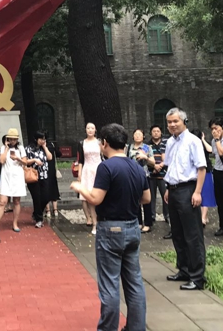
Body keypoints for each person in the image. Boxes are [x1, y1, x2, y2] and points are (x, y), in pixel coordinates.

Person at [70, 123, 150, 331]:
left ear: (104, 143)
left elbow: (96, 198)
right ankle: (136, 327)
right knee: (134, 282)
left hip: (110, 230)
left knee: (109, 284)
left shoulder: (106, 167)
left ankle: (108, 328)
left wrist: (80, 188)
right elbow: (147, 198)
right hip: (133, 227)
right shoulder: (136, 166)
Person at [163, 108, 207, 291]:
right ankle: (184, 269)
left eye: (176, 121)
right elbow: (170, 166)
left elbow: (201, 168)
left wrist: (197, 192)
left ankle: (197, 277)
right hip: (173, 190)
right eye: (169, 122)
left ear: (184, 121)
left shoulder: (193, 141)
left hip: (188, 189)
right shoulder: (170, 142)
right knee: (178, 233)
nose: (172, 125)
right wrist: (168, 188)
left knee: (192, 234)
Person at [0, 128, 28, 237]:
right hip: (6, 177)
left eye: (14, 139)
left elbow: (25, 162)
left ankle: (15, 223)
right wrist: (6, 148)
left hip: (17, 177)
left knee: (16, 201)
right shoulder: (3, 148)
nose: (12, 141)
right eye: (11, 139)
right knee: (2, 202)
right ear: (7, 139)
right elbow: (1, 161)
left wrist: (17, 158)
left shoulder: (21, 148)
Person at [127, 129, 155, 233]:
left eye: (140, 134)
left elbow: (153, 163)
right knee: (135, 200)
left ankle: (148, 223)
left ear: (143, 136)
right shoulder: (128, 147)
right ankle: (138, 222)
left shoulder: (147, 147)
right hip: (132, 177)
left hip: (144, 176)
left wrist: (145, 157)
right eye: (136, 134)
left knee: (146, 200)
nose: (138, 136)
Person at [25, 131, 54, 228]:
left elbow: (50, 157)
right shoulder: (28, 149)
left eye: (44, 139)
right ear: (36, 139)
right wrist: (34, 160)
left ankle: (36, 213)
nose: (43, 141)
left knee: (46, 197)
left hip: (44, 175)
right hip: (33, 176)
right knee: (36, 198)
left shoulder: (44, 148)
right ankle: (39, 219)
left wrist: (45, 147)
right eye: (41, 139)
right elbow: (25, 162)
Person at [78, 123, 101, 235]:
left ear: (95, 130)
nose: (90, 130)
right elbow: (81, 160)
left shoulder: (99, 142)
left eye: (92, 128)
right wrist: (79, 173)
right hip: (87, 170)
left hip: (99, 168)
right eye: (88, 128)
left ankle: (102, 221)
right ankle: (94, 223)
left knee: (100, 195)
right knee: (90, 197)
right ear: (85, 130)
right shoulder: (82, 143)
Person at [147, 125, 170, 236]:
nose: (156, 133)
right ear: (151, 133)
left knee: (166, 196)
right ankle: (152, 215)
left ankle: (167, 215)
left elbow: (168, 158)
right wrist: (154, 166)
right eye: (154, 131)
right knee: (151, 197)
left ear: (161, 133)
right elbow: (146, 158)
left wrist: (160, 166)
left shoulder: (166, 144)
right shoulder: (147, 145)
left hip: (163, 174)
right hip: (151, 174)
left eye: (158, 131)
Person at [191, 129, 216, 227]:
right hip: (194, 172)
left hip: (206, 171)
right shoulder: (190, 145)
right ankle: (200, 216)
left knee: (205, 194)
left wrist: (203, 140)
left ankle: (203, 217)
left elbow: (211, 150)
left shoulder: (204, 144)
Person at [44, 135, 62, 217]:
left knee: (45, 190)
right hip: (52, 171)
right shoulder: (52, 145)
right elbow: (59, 154)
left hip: (44, 171)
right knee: (54, 189)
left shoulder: (40, 147)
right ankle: (55, 210)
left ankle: (48, 211)